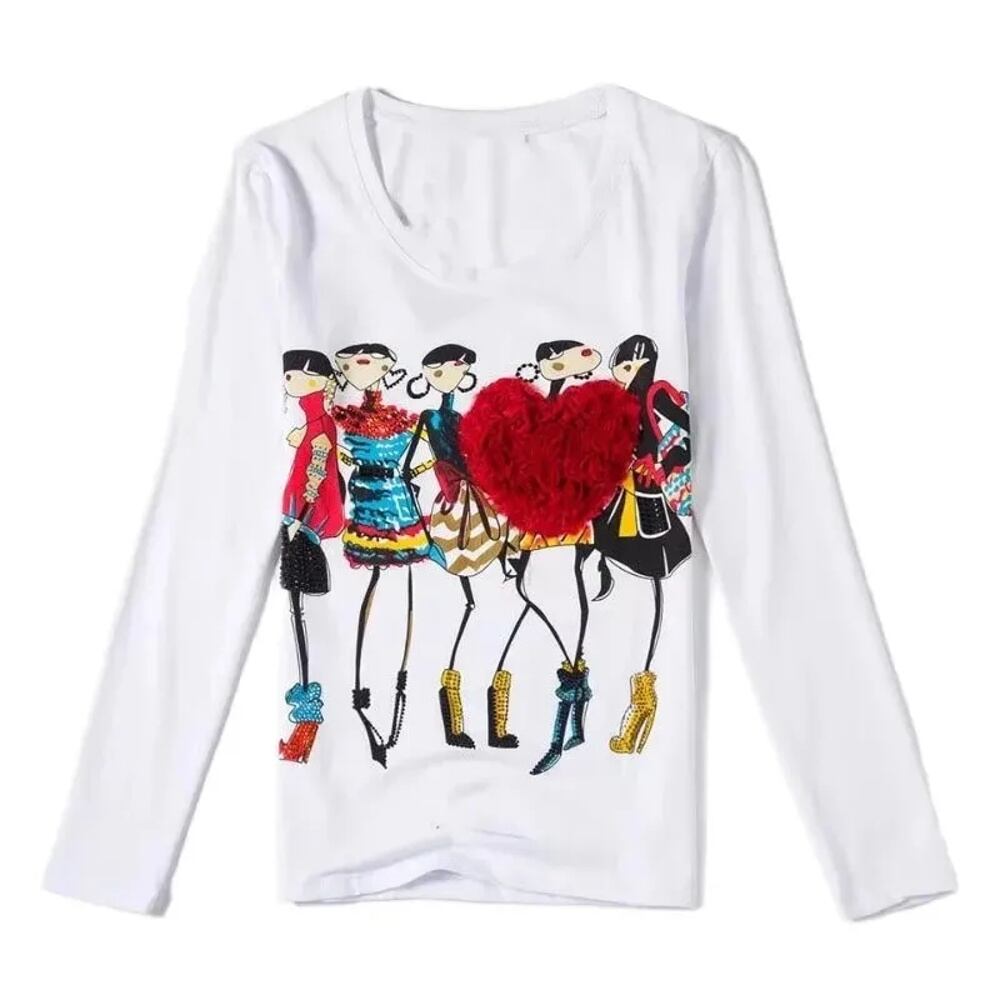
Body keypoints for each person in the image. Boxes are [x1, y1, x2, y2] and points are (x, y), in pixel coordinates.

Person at [592, 335, 692, 755]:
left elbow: (687, 431)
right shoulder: (616, 400)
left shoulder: (654, 395)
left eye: (627, 365)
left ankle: (642, 700)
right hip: (617, 498)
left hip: (646, 501)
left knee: (650, 588)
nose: (621, 374)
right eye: (619, 366)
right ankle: (631, 698)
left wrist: (663, 463)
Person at [277, 350, 344, 763]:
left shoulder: (320, 427)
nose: (288, 382)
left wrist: (299, 521)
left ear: (316, 379)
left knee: (297, 613)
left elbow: (315, 480)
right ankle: (304, 716)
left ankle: (306, 719)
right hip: (297, 522)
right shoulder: (312, 424)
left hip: (301, 526)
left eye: (293, 376)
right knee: (295, 614)